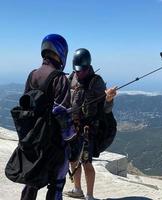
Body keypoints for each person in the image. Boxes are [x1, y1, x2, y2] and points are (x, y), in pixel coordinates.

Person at [20, 34, 75, 200]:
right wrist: (72, 136)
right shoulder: (60, 79)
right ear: (61, 52)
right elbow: (62, 115)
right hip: (53, 144)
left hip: (32, 140)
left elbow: (24, 106)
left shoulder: (32, 75)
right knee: (57, 184)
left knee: (31, 183)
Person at [65, 48, 117, 200]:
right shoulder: (71, 77)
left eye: (82, 70)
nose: (79, 73)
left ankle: (90, 196)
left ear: (88, 66)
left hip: (88, 129)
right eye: (76, 70)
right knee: (73, 160)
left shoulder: (96, 82)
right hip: (72, 127)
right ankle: (77, 189)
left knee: (86, 162)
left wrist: (109, 99)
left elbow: (105, 109)